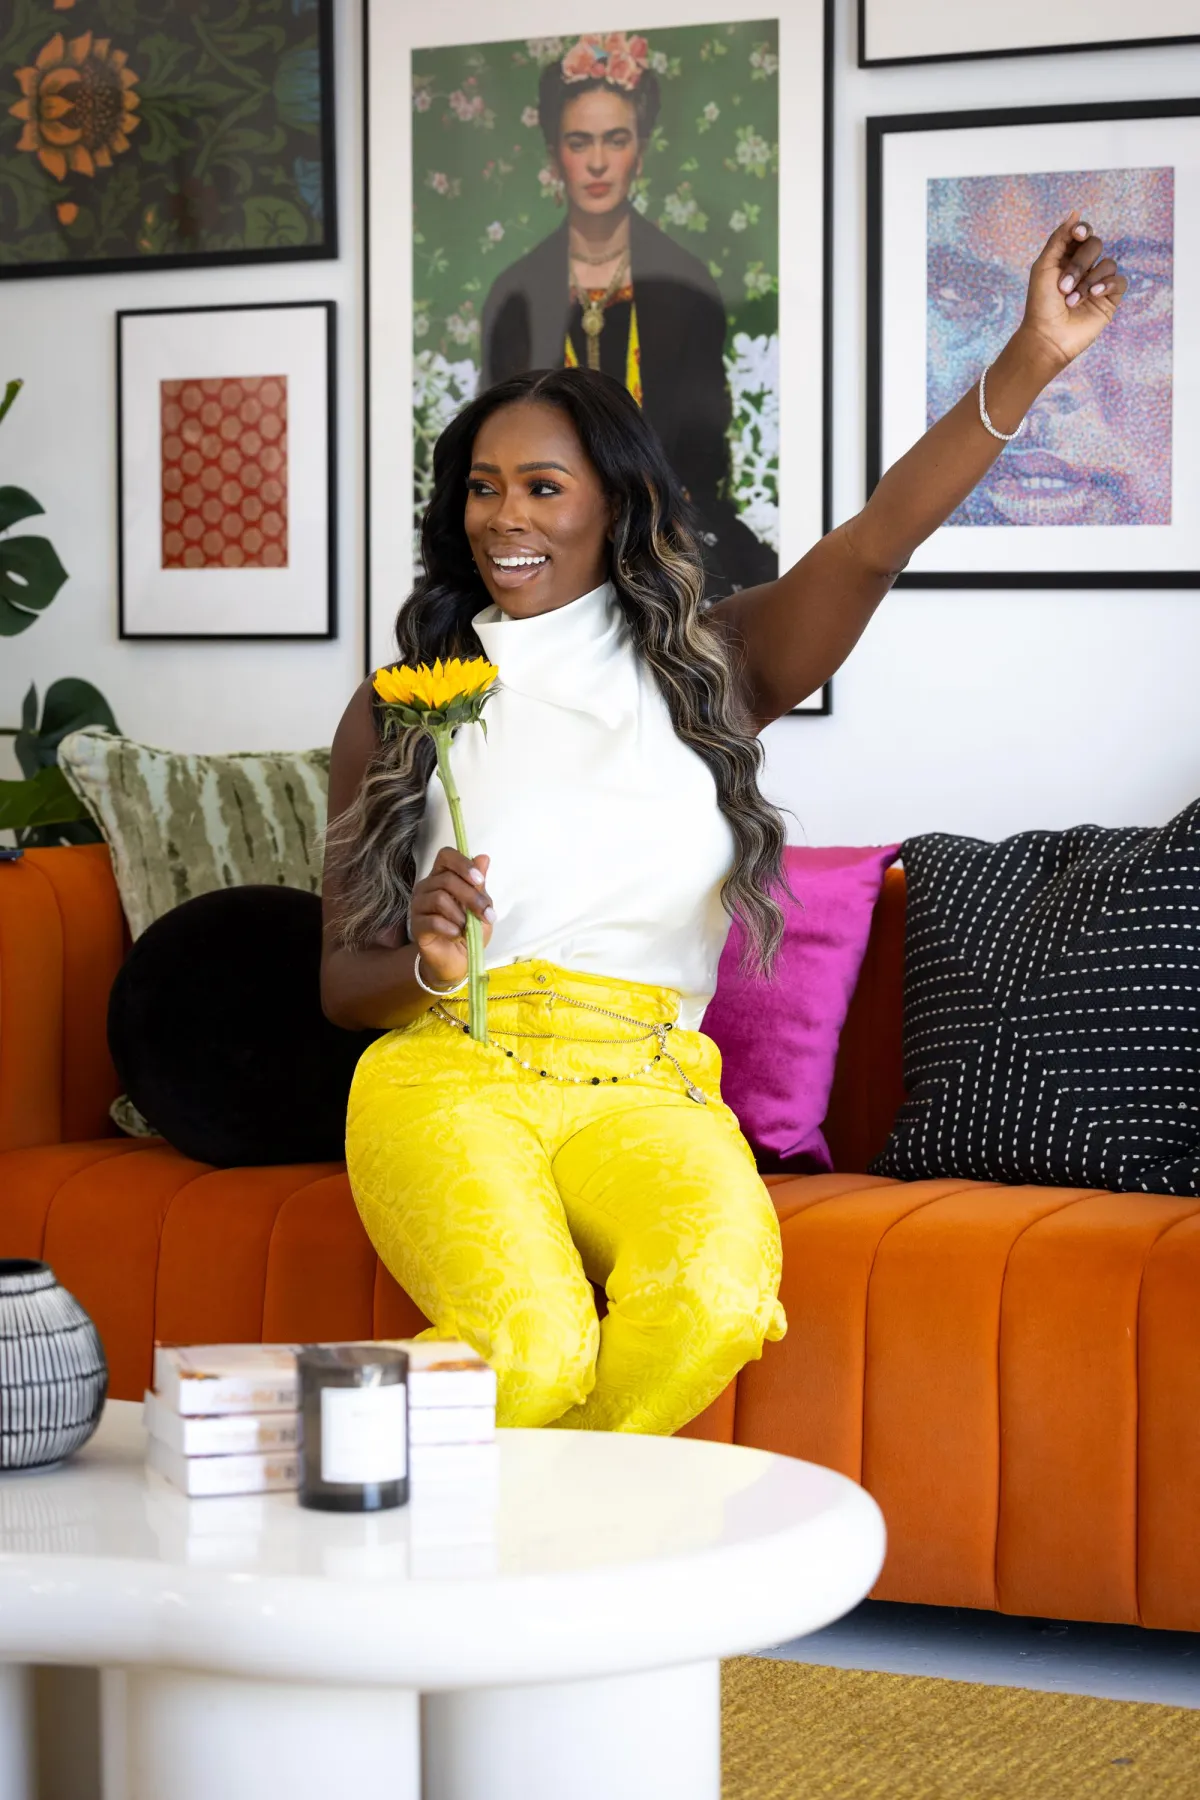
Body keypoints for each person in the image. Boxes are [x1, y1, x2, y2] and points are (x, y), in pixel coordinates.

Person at [323, 213, 1126, 1435]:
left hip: (647, 1084)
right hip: (455, 1076)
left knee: (714, 1298)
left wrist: (1029, 361)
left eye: (543, 486)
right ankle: (501, 1592)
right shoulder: (401, 707)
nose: (504, 518)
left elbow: (876, 541)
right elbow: (343, 986)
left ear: (614, 504)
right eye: (483, 489)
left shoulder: (717, 666)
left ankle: (523, 1577)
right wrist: (427, 966)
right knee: (528, 1350)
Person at [481, 30, 776, 597]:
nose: (596, 162)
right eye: (578, 141)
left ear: (639, 150)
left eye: (614, 139)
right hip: (543, 541)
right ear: (554, 155)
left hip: (665, 536)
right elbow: (498, 446)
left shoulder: (686, 286)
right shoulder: (516, 292)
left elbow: (704, 448)